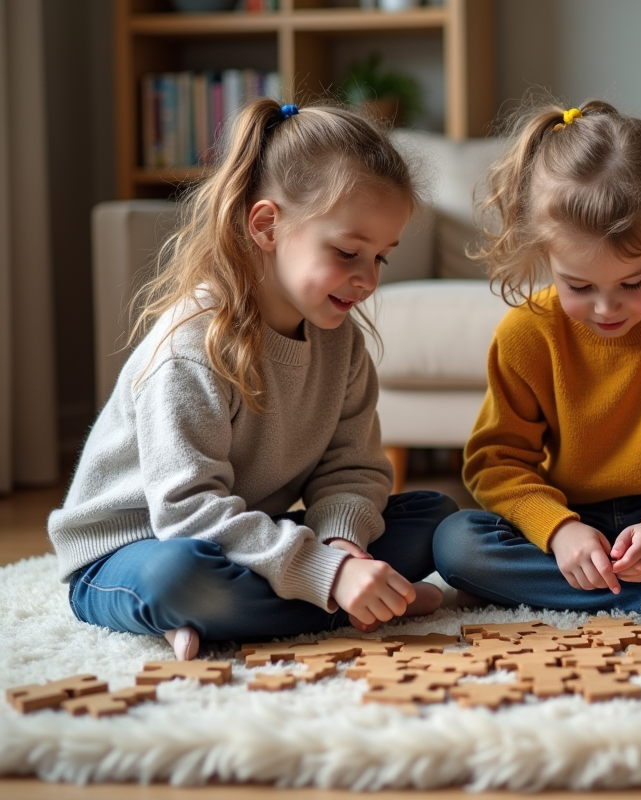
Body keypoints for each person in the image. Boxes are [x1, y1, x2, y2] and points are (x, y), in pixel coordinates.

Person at [49, 100, 456, 661]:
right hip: (136, 547)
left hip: (246, 530)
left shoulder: (342, 341)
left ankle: (244, 614)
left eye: (381, 258)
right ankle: (320, 602)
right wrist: (329, 573)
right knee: (183, 580)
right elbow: (187, 512)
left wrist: (342, 547)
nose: (366, 279)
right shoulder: (193, 346)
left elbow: (353, 468)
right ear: (267, 225)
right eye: (347, 252)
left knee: (432, 517)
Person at [433, 100, 641, 617]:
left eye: (633, 282)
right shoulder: (527, 333)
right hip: (566, 518)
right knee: (456, 543)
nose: (606, 307)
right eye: (579, 285)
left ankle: (543, 588)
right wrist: (561, 531)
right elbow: (497, 462)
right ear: (542, 252)